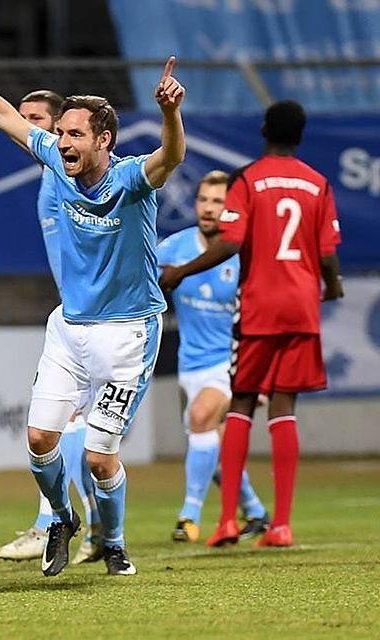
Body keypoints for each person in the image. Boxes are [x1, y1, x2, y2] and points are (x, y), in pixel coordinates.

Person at [0, 16, 185, 576]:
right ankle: (61, 518)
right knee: (39, 441)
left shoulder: (130, 178)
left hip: (128, 334)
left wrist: (169, 114)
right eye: (59, 134)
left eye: (74, 134)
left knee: (100, 458)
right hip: (70, 328)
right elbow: (1, 113)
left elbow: (171, 157)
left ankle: (115, 543)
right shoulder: (56, 164)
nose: (62, 143)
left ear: (103, 140)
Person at [159, 100, 343, 548]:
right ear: (300, 136)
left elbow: (231, 243)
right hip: (301, 306)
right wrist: (332, 286)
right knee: (283, 409)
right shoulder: (318, 184)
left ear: (263, 130)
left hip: (260, 305)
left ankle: (226, 521)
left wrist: (182, 271)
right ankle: (279, 524)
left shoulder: (249, 179)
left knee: (241, 404)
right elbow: (325, 253)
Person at [0, 90, 102, 566]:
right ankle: (98, 529)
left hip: (97, 322)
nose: (28, 129)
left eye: (38, 121)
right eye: (25, 120)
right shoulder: (50, 178)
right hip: (78, 317)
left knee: (63, 425)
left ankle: (50, 525)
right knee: (82, 431)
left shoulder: (68, 178)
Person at [156, 170, 269, 543]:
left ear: (233, 207)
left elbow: (264, 315)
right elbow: (142, 279)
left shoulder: (246, 253)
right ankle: (254, 511)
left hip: (231, 363)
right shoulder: (176, 247)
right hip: (190, 364)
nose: (208, 208)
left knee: (202, 418)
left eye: (218, 202)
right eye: (203, 199)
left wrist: (264, 374)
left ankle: (189, 517)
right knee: (212, 443)